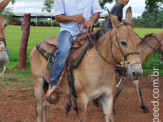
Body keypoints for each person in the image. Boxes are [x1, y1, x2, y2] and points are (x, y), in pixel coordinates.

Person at [46, 0, 102, 100]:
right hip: (68, 31)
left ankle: (99, 83)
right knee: (63, 52)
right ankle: (53, 84)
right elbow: (58, 17)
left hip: (86, 31)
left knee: (100, 50)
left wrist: (91, 21)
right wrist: (72, 18)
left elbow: (97, 12)